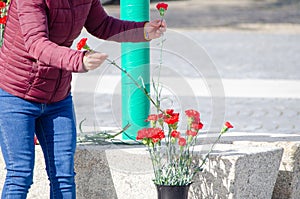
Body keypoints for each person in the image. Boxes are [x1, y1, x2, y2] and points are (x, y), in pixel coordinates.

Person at [0, 0, 167, 198]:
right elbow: (36, 44)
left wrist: (142, 31)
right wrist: (79, 60)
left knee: (64, 177)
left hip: (57, 97)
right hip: (16, 95)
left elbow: (102, 25)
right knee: (20, 175)